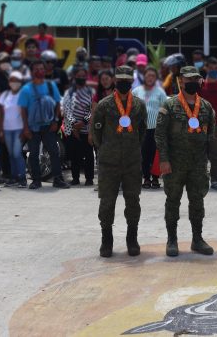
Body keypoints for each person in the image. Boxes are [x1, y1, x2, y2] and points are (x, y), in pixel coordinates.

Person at [154, 66, 217, 257]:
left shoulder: (206, 107)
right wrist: (163, 160)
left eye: (195, 79)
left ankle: (197, 239)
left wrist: (211, 164)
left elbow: (211, 136)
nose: (192, 82)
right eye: (188, 79)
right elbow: (160, 135)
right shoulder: (170, 105)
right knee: (173, 200)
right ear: (181, 81)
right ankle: (172, 240)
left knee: (197, 201)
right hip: (174, 163)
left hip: (197, 163)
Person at [92, 66, 147, 257]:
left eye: (127, 80)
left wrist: (132, 149)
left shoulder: (139, 105)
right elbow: (96, 133)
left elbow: (142, 132)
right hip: (109, 163)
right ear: (115, 81)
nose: (124, 83)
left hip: (132, 162)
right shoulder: (104, 105)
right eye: (120, 79)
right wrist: (107, 150)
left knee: (133, 200)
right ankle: (106, 240)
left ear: (132, 82)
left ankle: (132, 238)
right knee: (107, 202)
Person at [19, 59, 69, 190]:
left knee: (54, 152)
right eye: (36, 69)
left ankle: (58, 179)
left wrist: (55, 121)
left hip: (48, 126)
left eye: (41, 69)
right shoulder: (26, 89)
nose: (39, 71)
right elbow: (23, 110)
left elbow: (58, 103)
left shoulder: (51, 86)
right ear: (31, 72)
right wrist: (25, 128)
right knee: (33, 154)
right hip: (32, 128)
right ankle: (36, 180)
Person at [133, 66, 167, 189]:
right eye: (148, 75)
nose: (150, 78)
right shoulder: (136, 91)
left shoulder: (160, 92)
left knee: (155, 154)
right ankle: (146, 178)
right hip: (141, 129)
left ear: (155, 78)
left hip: (156, 129)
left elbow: (165, 109)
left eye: (153, 76)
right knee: (144, 155)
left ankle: (156, 178)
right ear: (144, 77)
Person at [62, 66, 96, 186]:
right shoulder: (68, 92)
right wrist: (74, 124)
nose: (81, 78)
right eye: (78, 76)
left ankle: (89, 178)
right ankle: (75, 178)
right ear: (74, 77)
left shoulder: (91, 92)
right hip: (72, 129)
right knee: (74, 155)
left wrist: (83, 122)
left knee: (88, 155)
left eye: (83, 76)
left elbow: (92, 109)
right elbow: (66, 109)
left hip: (87, 129)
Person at [0, 71, 29, 187]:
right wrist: (0, 129)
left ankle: (22, 178)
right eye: (12, 80)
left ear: (20, 82)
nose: (14, 82)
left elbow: (26, 113)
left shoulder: (23, 94)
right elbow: (1, 113)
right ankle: (14, 177)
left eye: (16, 80)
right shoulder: (5, 94)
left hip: (19, 129)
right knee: (11, 154)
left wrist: (26, 129)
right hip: (7, 130)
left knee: (17, 153)